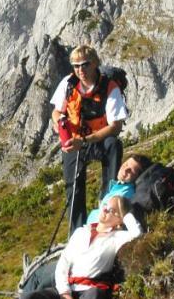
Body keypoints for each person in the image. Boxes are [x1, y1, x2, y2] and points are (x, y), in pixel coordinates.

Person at [0, 195, 142, 299]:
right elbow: (63, 263)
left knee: (96, 292)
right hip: (69, 290)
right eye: (105, 205)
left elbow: (138, 234)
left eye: (111, 210)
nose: (104, 210)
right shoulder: (81, 232)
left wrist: (126, 213)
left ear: (119, 220)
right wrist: (64, 291)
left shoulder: (117, 237)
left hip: (90, 291)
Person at [50, 46, 127, 230]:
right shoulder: (68, 84)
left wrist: (85, 141)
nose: (80, 70)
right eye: (76, 66)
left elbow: (115, 127)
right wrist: (59, 122)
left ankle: (108, 209)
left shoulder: (109, 87)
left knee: (113, 146)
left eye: (85, 65)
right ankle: (76, 231)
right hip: (74, 141)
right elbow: (56, 111)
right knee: (73, 187)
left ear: (95, 63)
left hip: (98, 140)